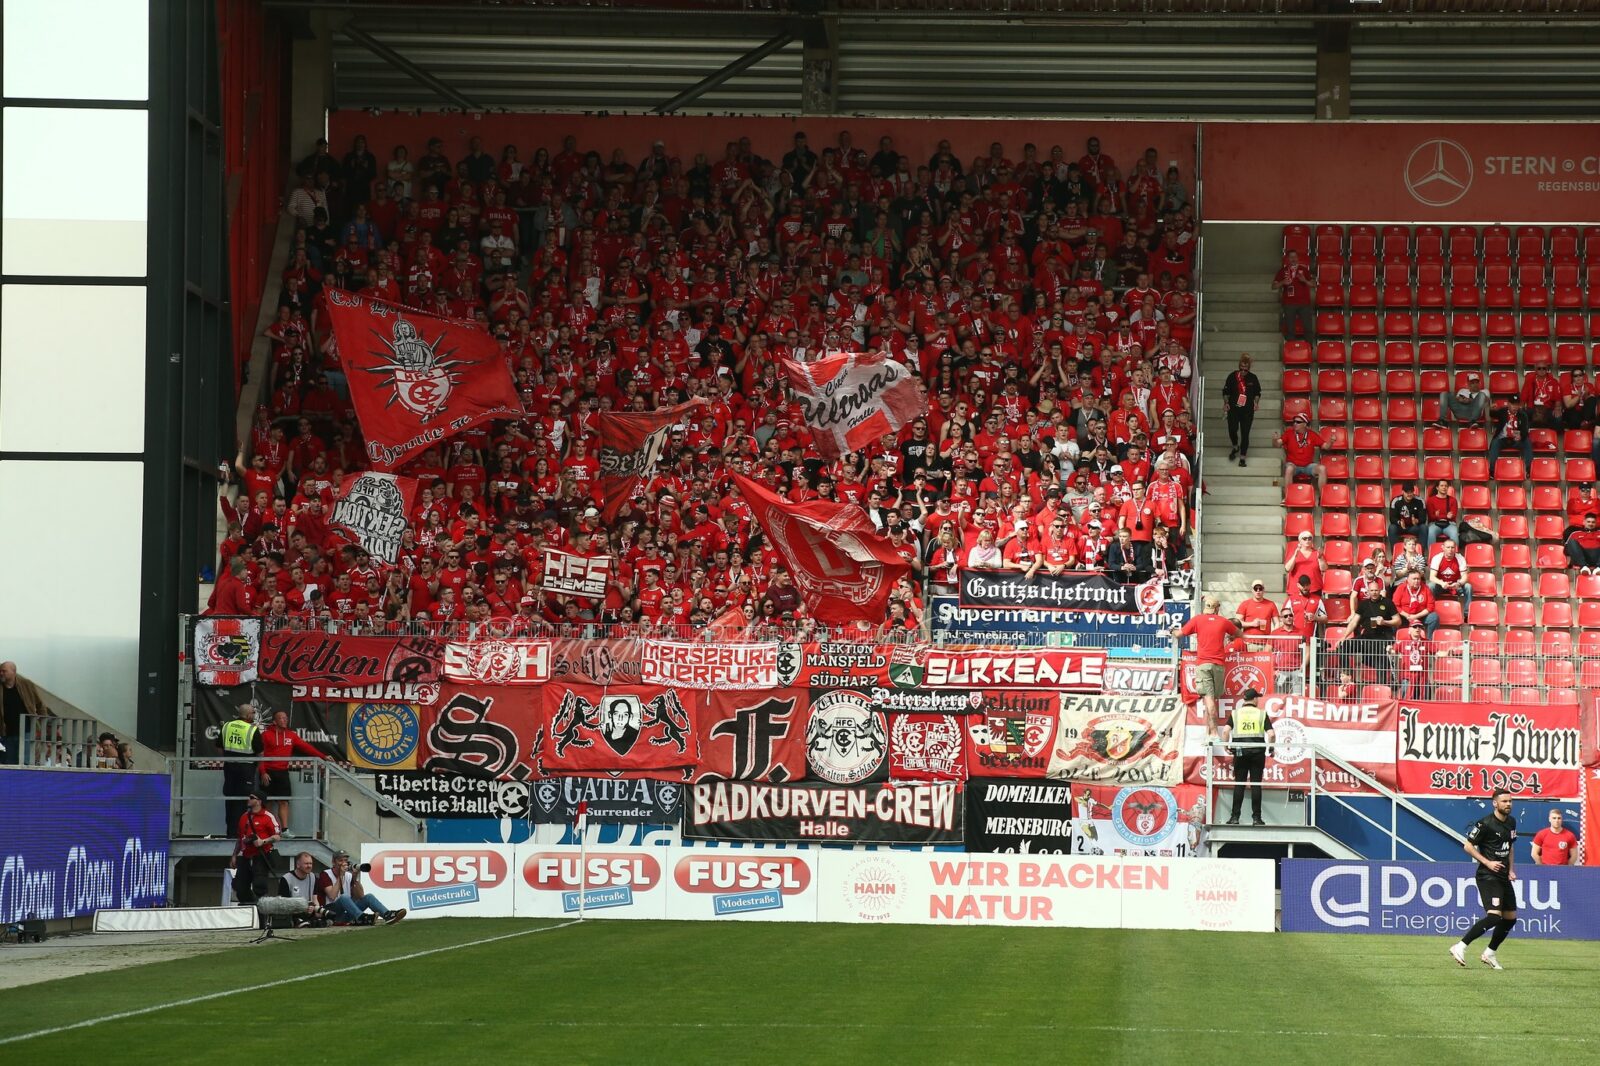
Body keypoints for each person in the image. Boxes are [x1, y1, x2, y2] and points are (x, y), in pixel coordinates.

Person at [1450, 789, 1518, 971]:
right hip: (1487, 876)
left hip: (1503, 876)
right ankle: (1460, 946)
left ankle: (1489, 953)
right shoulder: (1485, 823)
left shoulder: (1511, 822)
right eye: (1504, 801)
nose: (1508, 804)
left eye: (1510, 801)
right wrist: (1487, 862)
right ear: (1495, 803)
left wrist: (1511, 869)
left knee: (1511, 918)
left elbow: (1510, 847)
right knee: (1494, 916)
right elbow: (1468, 845)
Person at [1172, 594, 1241, 739]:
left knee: (1209, 700)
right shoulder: (1223, 621)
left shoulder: (1198, 619)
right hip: (1219, 665)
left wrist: (1172, 631)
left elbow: (1179, 634)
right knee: (1212, 700)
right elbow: (1240, 633)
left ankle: (1214, 733)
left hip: (1204, 663)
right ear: (1217, 609)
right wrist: (1233, 637)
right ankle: (1208, 731)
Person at [260, 708, 337, 835]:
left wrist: (323, 756)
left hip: (283, 772)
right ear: (274, 721)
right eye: (281, 718)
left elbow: (307, 748)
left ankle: (284, 830)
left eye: (286, 718)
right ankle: (267, 830)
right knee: (267, 802)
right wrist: (263, 772)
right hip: (268, 772)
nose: (285, 720)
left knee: (283, 801)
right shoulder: (266, 735)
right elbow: (260, 755)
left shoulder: (291, 735)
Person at [1222, 687, 1273, 826]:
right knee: (1256, 784)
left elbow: (1226, 731)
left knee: (1240, 784)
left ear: (1244, 699)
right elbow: (1272, 734)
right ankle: (1257, 819)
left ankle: (1234, 818)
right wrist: (1271, 747)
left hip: (1240, 752)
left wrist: (1225, 745)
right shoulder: (1262, 714)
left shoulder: (1235, 714)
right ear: (1255, 699)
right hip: (1257, 753)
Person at [317, 851, 406, 925]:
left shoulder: (348, 875)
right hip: (331, 913)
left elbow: (360, 896)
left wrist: (355, 877)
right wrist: (340, 876)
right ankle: (363, 918)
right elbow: (332, 896)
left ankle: (387, 915)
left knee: (369, 897)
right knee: (344, 897)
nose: (344, 863)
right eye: (340, 861)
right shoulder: (325, 874)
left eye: (346, 861)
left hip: (347, 913)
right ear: (333, 862)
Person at [229, 790, 281, 906]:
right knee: (239, 886)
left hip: (261, 855)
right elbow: (240, 838)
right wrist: (234, 855)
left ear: (259, 801)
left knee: (260, 884)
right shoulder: (244, 817)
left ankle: (260, 910)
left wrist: (263, 841)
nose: (249, 799)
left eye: (252, 797)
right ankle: (248, 904)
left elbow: (277, 836)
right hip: (246, 855)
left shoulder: (268, 816)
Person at [220, 702, 265, 834]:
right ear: (247, 715)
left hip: (229, 767)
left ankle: (230, 833)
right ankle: (242, 834)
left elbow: (218, 746)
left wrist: (229, 757)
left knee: (230, 800)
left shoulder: (226, 726)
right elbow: (260, 753)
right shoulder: (252, 729)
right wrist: (257, 766)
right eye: (253, 713)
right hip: (246, 769)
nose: (254, 715)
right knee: (245, 801)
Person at [0, 661, 46, 765]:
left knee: (26, 761)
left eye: (4, 671)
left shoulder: (26, 685)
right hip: (8, 732)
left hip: (27, 730)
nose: (1, 673)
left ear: (13, 672)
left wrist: (43, 720)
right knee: (11, 762)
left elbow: (39, 704)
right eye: (0, 671)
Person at [1223, 354, 1261, 467]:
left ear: (1249, 368)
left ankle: (1243, 457)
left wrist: (1256, 403)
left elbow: (1257, 393)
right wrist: (1226, 403)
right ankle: (1235, 446)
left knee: (1245, 433)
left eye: (1246, 369)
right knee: (1232, 429)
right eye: (1241, 369)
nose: (1243, 371)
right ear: (1239, 367)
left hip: (1248, 410)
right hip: (1234, 409)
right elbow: (1225, 392)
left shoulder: (1253, 378)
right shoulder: (1232, 376)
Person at [1277, 413, 1326, 492]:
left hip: (1308, 466)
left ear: (1305, 424)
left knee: (1322, 468)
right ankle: (1288, 497)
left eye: (1298, 422)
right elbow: (1277, 444)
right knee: (1289, 469)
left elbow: (1325, 446)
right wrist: (1274, 440)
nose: (1295, 424)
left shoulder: (1312, 434)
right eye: (1294, 422)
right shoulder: (1289, 433)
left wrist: (1331, 442)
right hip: (1293, 465)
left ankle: (1323, 497)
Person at [1271, 251, 1313, 340]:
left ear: (1298, 258)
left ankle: (1309, 348)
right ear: (1287, 259)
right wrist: (1282, 282)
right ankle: (1291, 349)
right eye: (1291, 257)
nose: (1293, 259)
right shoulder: (1282, 271)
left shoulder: (1304, 270)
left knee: (1308, 327)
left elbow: (1313, 284)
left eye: (1295, 257)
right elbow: (1273, 286)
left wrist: (1304, 280)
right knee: (1290, 329)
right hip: (1289, 303)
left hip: (1304, 303)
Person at [277, 851, 328, 926]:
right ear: (298, 865)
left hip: (309, 911)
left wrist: (316, 909)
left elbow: (315, 899)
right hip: (294, 912)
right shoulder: (286, 879)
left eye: (310, 863)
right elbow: (284, 904)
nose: (309, 866)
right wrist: (303, 907)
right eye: (306, 864)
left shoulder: (313, 877)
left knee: (327, 915)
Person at [1387, 482, 1426, 551]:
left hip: (1414, 527)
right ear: (1403, 492)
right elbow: (1392, 518)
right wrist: (1399, 522)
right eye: (1407, 492)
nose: (1409, 494)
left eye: (1411, 492)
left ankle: (1421, 554)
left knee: (1424, 527)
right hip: (1400, 527)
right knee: (1392, 527)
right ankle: (1395, 554)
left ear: (1413, 492)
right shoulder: (1396, 501)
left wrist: (1417, 521)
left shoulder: (1420, 501)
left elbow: (1423, 518)